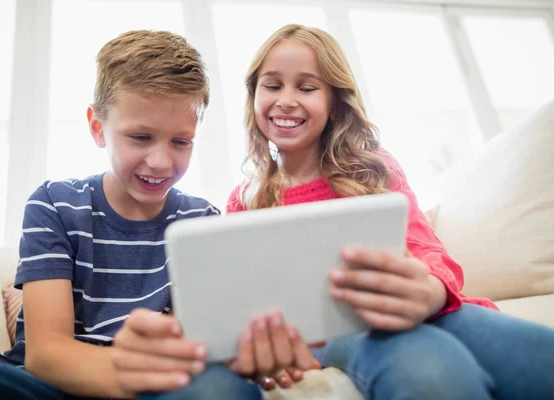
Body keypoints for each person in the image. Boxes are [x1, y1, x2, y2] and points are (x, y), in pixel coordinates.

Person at [0, 29, 318, 400]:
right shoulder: (54, 204)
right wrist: (138, 373)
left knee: (222, 386)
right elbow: (47, 354)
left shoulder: (202, 221)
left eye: (181, 141)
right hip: (51, 385)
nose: (161, 162)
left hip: (154, 386)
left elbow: (197, 344)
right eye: (140, 138)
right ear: (98, 128)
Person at [227, 23, 554, 399]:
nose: (286, 99)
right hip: (331, 332)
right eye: (272, 85)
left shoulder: (372, 167)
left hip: (428, 309)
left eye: (306, 87)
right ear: (254, 95)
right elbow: (245, 305)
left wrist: (428, 292)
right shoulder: (245, 200)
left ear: (335, 101)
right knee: (430, 370)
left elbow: (424, 248)